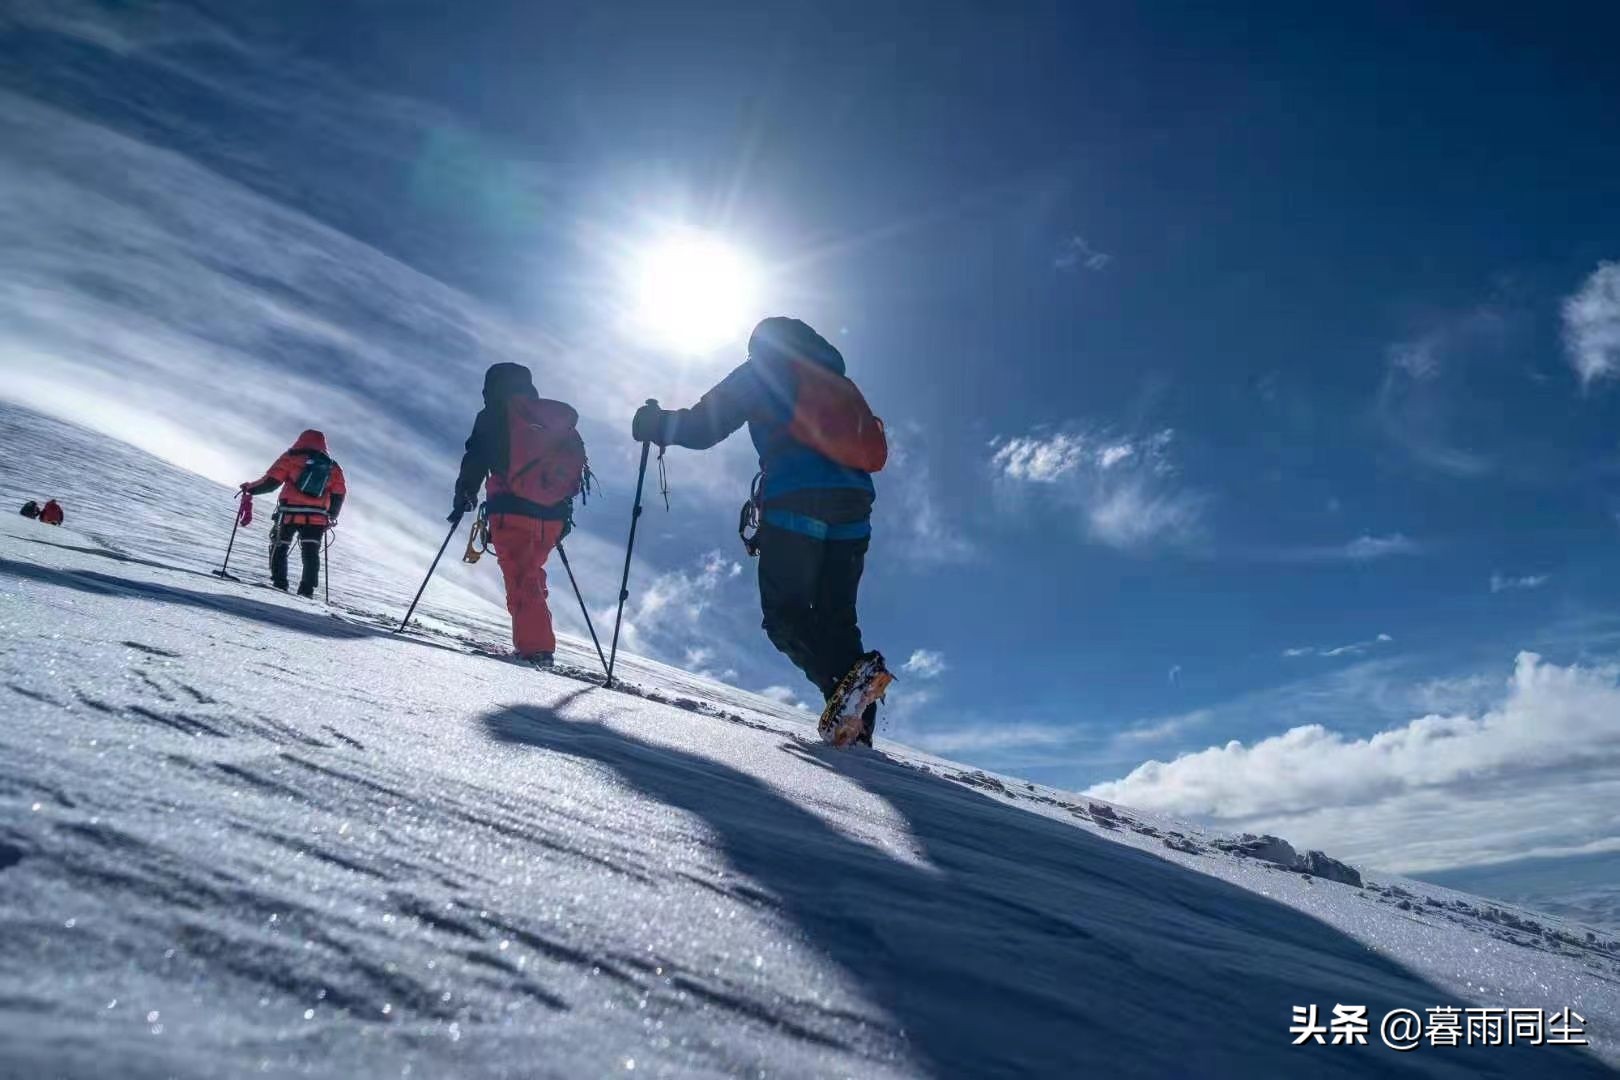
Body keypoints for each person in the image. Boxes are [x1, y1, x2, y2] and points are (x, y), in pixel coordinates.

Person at [631, 316, 892, 746]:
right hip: (854, 508)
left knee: (783, 617)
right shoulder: (836, 382)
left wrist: (654, 423)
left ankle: (848, 693)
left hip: (796, 498)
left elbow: (703, 426)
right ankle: (857, 732)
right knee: (836, 619)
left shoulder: (763, 369)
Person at [453, 363, 588, 668]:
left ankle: (536, 650)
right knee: (530, 572)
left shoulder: (494, 415)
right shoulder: (550, 417)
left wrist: (464, 493)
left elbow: (475, 457)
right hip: (553, 516)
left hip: (511, 509)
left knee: (521, 575)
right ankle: (536, 642)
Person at [240, 430, 346, 597]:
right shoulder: (333, 466)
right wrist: (331, 516)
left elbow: (271, 482)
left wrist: (250, 488)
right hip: (317, 517)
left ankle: (279, 583)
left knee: (280, 545)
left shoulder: (291, 456)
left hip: (289, 512)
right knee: (311, 551)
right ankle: (307, 590)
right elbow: (339, 493)